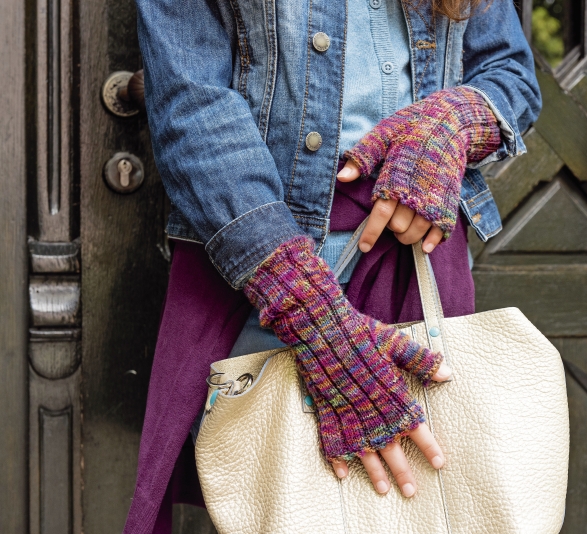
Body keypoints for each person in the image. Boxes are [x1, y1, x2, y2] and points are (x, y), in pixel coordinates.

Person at [124, 0, 541, 531]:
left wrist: (450, 124)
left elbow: (510, 74)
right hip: (269, 279)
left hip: (420, 270)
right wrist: (315, 318)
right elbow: (193, 108)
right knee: (290, 510)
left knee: (434, 513)